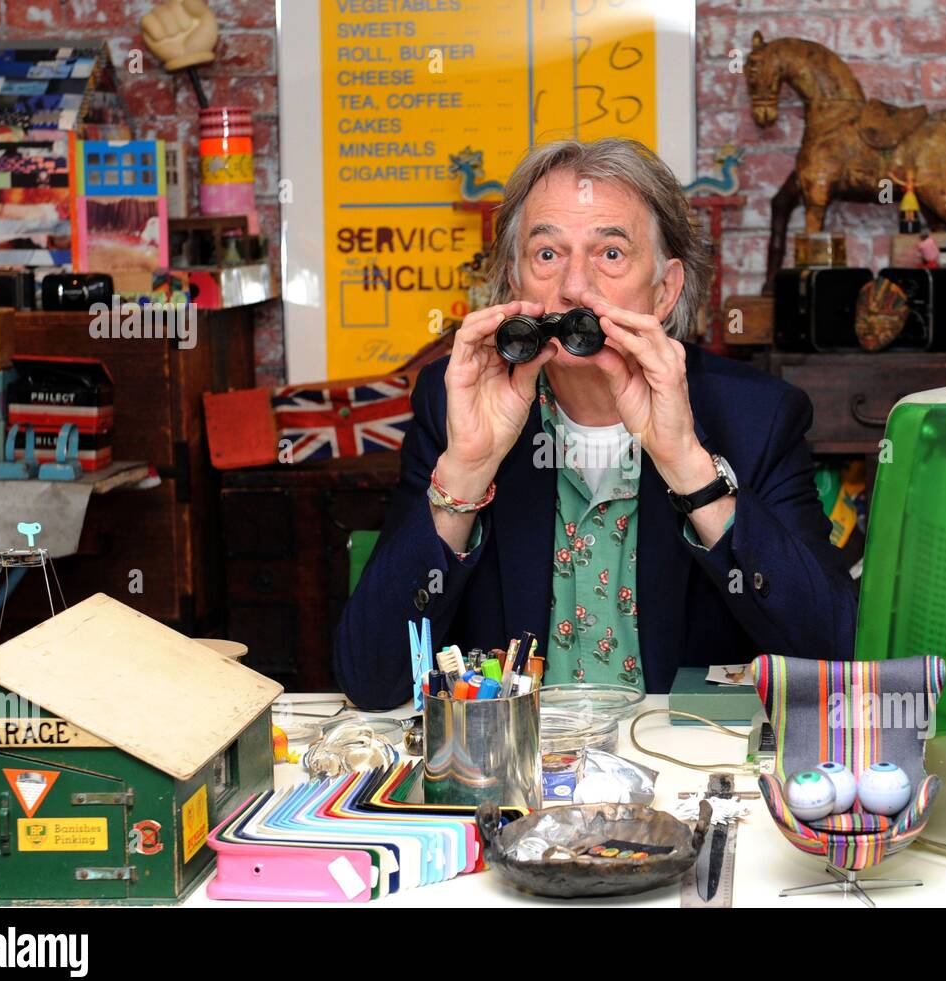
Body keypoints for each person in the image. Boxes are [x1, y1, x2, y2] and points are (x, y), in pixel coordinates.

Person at [336, 138, 856, 709]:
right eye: (547, 255)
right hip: (520, 774)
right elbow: (373, 681)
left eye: (610, 253)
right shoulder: (455, 401)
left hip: (677, 772)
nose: (574, 288)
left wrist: (689, 466)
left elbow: (838, 659)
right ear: (515, 284)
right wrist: (465, 470)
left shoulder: (756, 417)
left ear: (665, 290)